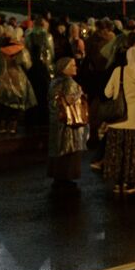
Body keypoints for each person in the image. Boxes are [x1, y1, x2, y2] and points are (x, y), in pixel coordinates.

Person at [102, 33, 135, 195]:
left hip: (119, 118)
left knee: (119, 151)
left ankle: (118, 183)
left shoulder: (118, 71)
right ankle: (131, 183)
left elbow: (107, 92)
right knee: (133, 152)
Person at [0, 31, 36, 135]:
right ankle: (13, 127)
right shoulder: (21, 51)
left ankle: (2, 126)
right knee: (16, 105)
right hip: (18, 80)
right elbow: (28, 65)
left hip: (4, 80)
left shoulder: (0, 52)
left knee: (4, 104)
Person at [47, 57, 87, 186]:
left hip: (56, 120)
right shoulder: (69, 82)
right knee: (69, 147)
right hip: (68, 122)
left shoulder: (54, 82)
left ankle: (57, 175)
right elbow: (69, 100)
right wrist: (79, 93)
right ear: (65, 68)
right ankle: (67, 175)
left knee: (58, 148)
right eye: (73, 65)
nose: (76, 67)